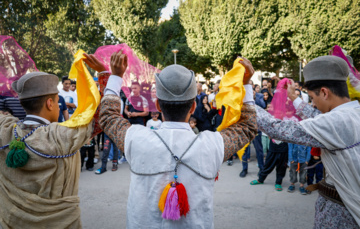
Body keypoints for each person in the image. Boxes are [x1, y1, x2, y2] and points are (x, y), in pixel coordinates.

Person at [85, 51, 257, 228]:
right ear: (194, 106)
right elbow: (248, 127)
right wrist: (246, 84)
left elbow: (108, 117)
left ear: (158, 105)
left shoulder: (137, 138)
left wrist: (114, 76)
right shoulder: (212, 145)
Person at [254, 55, 360, 228]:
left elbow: (277, 128)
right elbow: (318, 117)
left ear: (324, 92)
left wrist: (244, 101)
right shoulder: (353, 112)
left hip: (340, 215)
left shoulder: (334, 122)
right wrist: (295, 99)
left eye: (312, 97)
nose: (314, 104)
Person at [0, 72, 94, 228]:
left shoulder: (5, 130)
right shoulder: (61, 137)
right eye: (58, 102)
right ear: (50, 104)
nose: (58, 106)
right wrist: (110, 75)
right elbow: (98, 113)